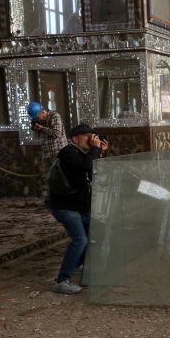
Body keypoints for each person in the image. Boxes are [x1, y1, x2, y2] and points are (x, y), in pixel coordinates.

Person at [49, 124, 108, 294]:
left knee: (93, 235)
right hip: (65, 207)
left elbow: (95, 173)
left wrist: (100, 152)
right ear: (75, 138)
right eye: (87, 136)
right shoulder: (68, 152)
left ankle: (78, 265)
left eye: (93, 136)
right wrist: (95, 150)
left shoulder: (83, 154)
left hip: (79, 207)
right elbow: (86, 166)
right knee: (80, 240)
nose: (91, 139)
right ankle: (62, 281)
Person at [28, 101, 69, 173]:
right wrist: (34, 126)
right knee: (47, 177)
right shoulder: (39, 120)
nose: (37, 119)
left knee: (60, 177)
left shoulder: (54, 116)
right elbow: (33, 126)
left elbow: (56, 133)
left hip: (58, 154)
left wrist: (42, 129)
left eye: (37, 117)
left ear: (42, 112)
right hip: (46, 155)